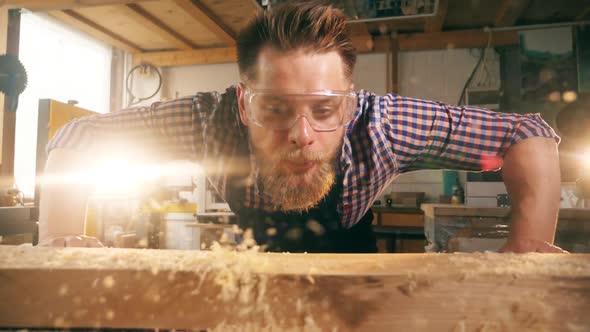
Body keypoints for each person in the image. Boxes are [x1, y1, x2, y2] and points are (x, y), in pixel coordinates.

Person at [39, 1, 565, 253]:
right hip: (254, 262)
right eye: (275, 109)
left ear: (351, 103)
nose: (301, 135)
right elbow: (77, 137)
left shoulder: (384, 124)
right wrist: (59, 243)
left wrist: (526, 253)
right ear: (243, 104)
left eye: (323, 109)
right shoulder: (204, 119)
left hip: (352, 264)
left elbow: (527, 132)